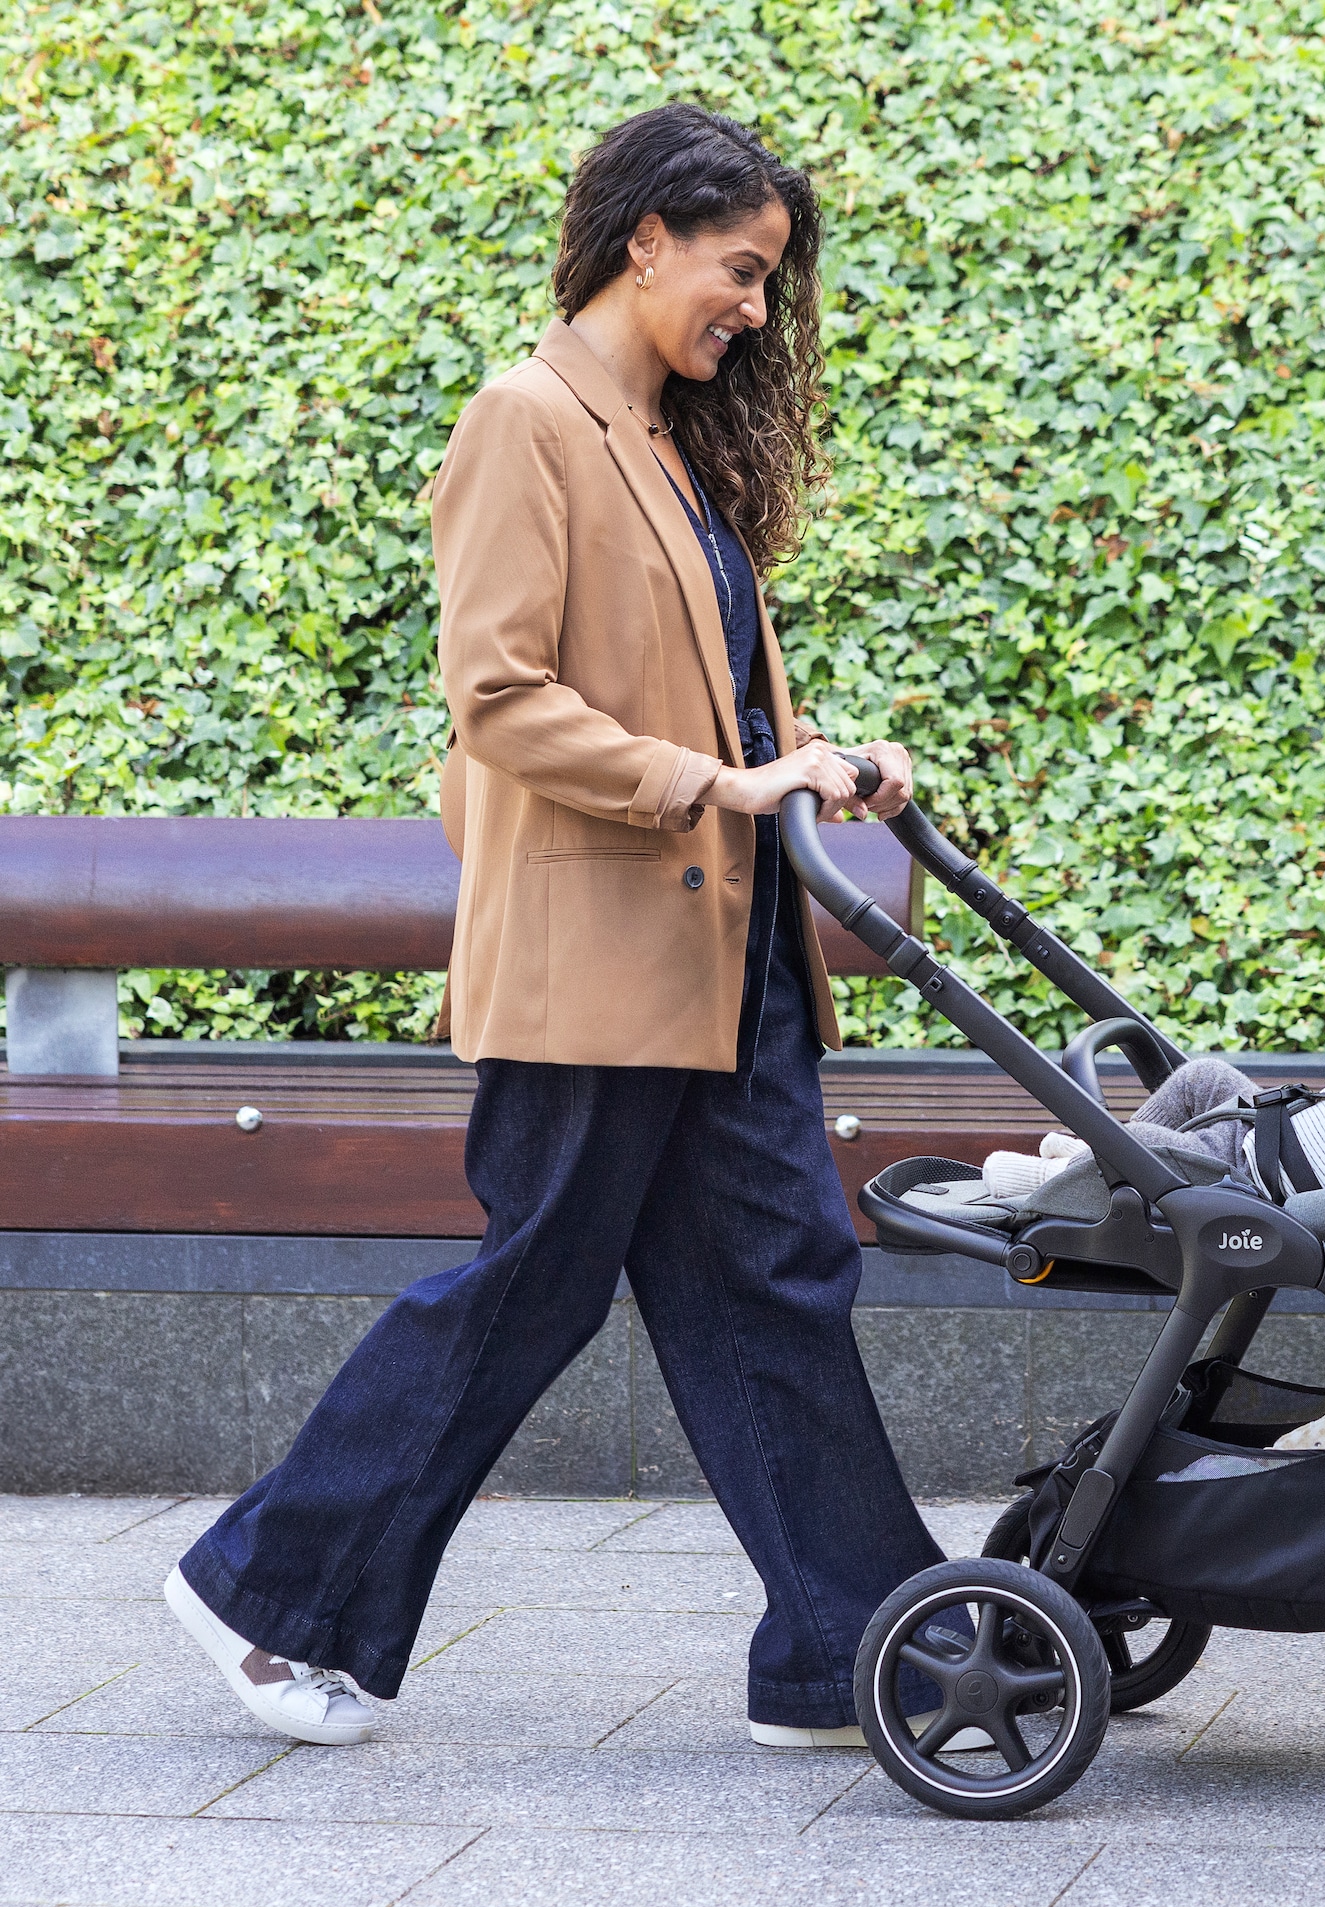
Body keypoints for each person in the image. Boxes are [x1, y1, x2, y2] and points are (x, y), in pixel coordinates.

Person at [163, 103, 962, 1753]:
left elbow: (706, 695)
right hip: (606, 958)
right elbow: (497, 697)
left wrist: (805, 770)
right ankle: (272, 1598)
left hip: (722, 955)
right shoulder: (526, 421)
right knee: (534, 1283)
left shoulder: (666, 441)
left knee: (780, 1278)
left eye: (769, 280)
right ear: (647, 237)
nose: (754, 304)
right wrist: (711, 786)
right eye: (739, 268)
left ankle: (852, 1648)